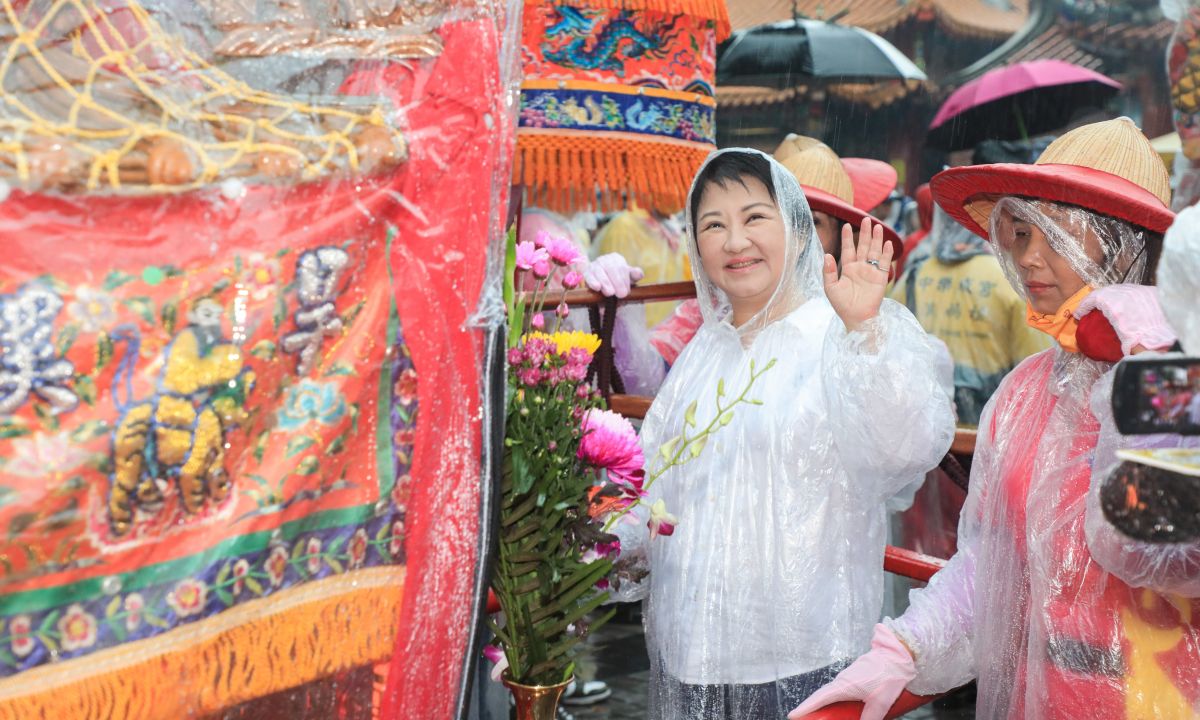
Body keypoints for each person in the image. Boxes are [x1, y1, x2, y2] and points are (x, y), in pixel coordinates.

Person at [791, 117, 1200, 720]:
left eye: (1060, 236)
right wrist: (905, 651)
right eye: (1022, 233)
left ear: (1128, 243)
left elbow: (1154, 552)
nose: (1031, 258)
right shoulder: (1022, 393)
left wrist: (1146, 374)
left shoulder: (1181, 382)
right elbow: (994, 566)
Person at [610, 148, 955, 719]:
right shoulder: (703, 352)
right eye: (713, 225)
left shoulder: (840, 331)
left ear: (796, 229)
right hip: (689, 653)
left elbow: (904, 450)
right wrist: (592, 548)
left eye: (754, 218)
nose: (734, 241)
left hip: (802, 658)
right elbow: (654, 486)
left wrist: (866, 333)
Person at [890, 203, 1051, 425]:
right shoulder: (1011, 281)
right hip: (990, 423)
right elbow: (1037, 369)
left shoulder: (915, 275)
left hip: (926, 426)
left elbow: (889, 345)